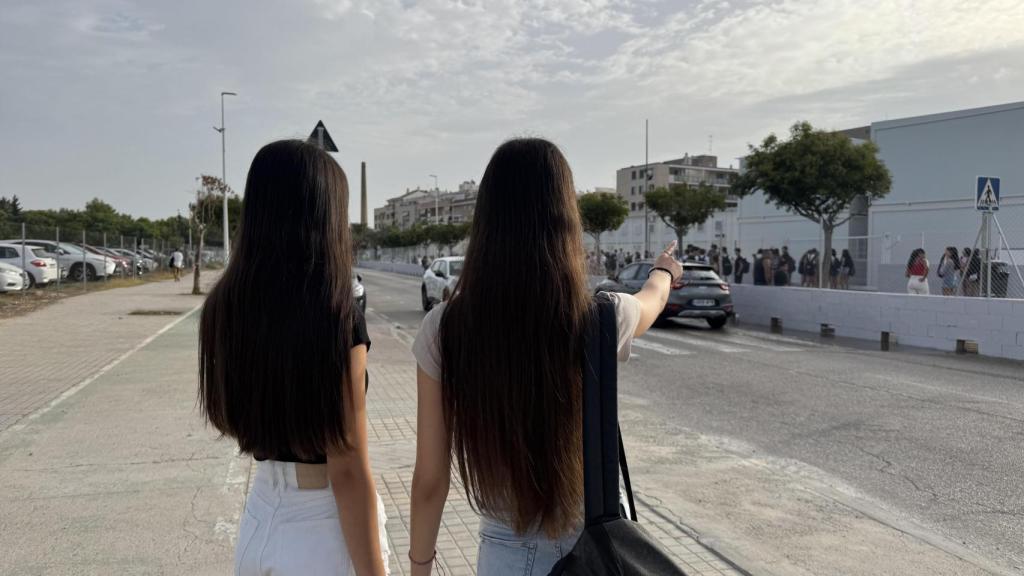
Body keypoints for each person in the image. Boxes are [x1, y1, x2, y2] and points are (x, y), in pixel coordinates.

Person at [408, 138, 682, 576]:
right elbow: (652, 300)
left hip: (505, 554)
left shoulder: (444, 329)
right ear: (565, 221)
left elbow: (429, 479)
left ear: (486, 222)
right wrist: (663, 270)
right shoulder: (599, 318)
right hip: (595, 549)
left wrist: (419, 566)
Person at [198, 140, 389, 575]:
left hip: (261, 516)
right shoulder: (336, 316)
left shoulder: (223, 306)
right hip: (322, 530)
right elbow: (346, 468)